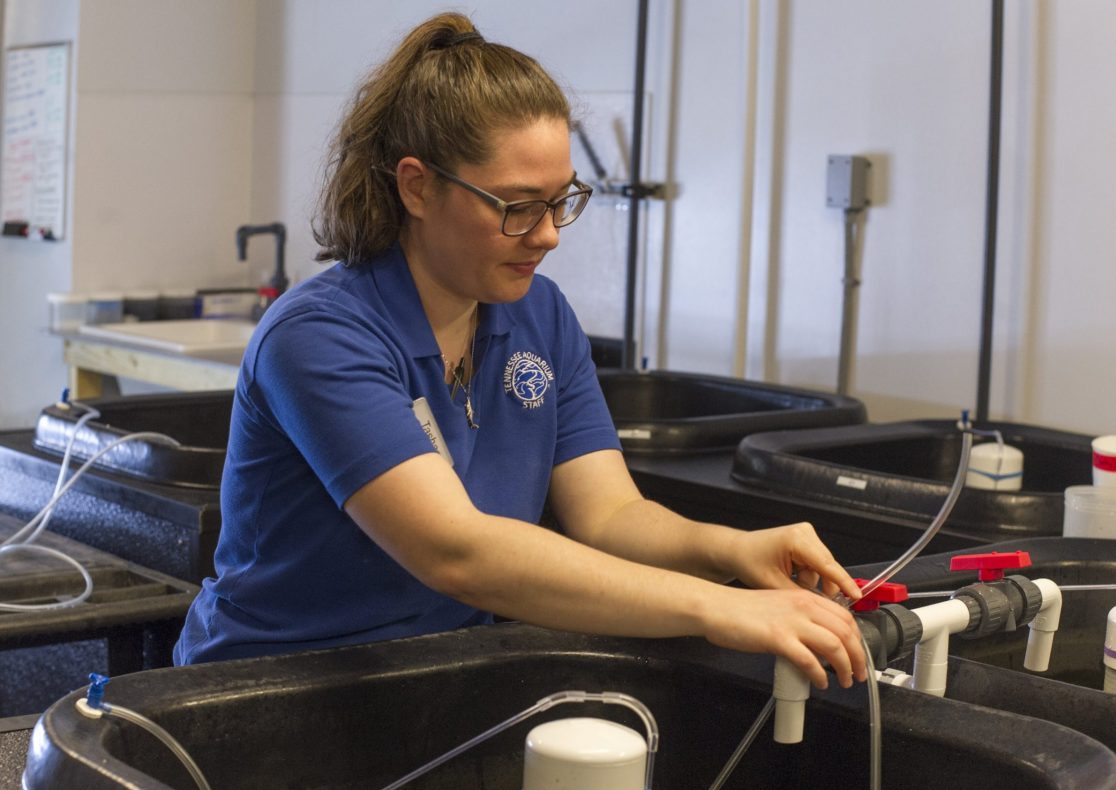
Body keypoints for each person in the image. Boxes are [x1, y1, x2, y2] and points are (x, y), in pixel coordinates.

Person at [173, 12, 867, 692]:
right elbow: (458, 552)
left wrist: (732, 551)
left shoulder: (538, 316)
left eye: (560, 201)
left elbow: (610, 517)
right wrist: (717, 606)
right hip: (266, 690)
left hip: (442, 675)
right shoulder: (319, 337)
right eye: (516, 206)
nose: (548, 235)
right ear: (416, 185)